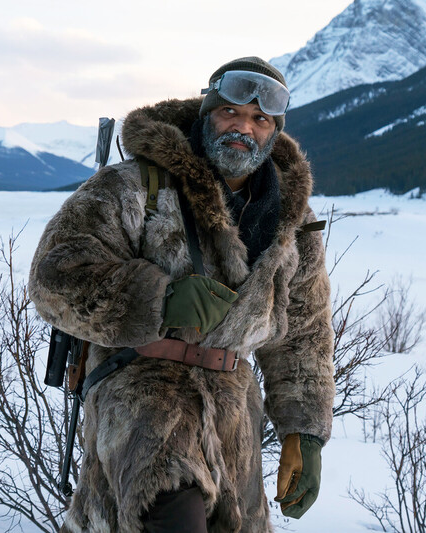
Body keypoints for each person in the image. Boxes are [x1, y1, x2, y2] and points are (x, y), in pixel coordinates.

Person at [29, 56, 335, 533]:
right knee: (171, 513)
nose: (243, 128)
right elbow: (55, 276)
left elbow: (305, 336)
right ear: (205, 113)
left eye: (259, 119)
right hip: (141, 399)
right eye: (230, 112)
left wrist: (304, 433)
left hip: (234, 414)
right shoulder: (135, 186)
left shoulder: (290, 222)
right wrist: (158, 299)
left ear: (274, 131)